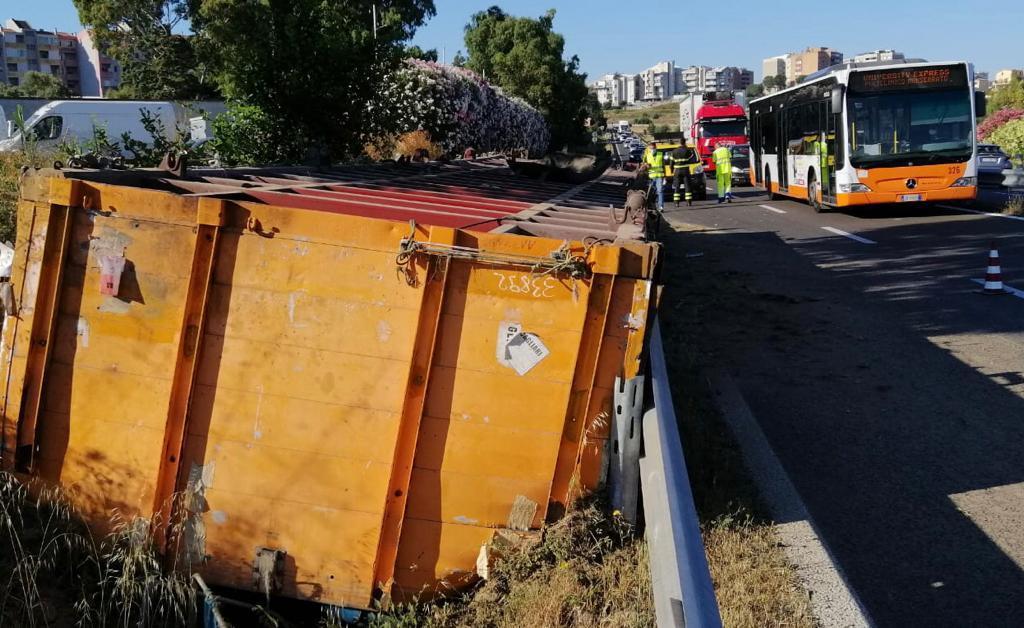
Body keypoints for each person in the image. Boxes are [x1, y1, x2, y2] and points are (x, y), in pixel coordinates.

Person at [669, 139, 700, 207]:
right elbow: (692, 159)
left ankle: (676, 203)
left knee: (677, 186)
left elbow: (671, 163)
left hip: (677, 170)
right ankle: (688, 202)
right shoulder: (687, 150)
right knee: (687, 186)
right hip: (685, 170)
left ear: (679, 143)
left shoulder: (674, 151)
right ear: (684, 143)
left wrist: (671, 170)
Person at [643, 141, 666, 210]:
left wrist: (665, 177)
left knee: (660, 191)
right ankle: (651, 206)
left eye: (653, 147)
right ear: (649, 148)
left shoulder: (660, 154)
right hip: (651, 177)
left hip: (659, 176)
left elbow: (663, 166)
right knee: (650, 193)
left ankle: (661, 206)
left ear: (655, 147)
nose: (652, 148)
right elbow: (644, 165)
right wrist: (646, 165)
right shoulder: (647, 155)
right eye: (651, 147)